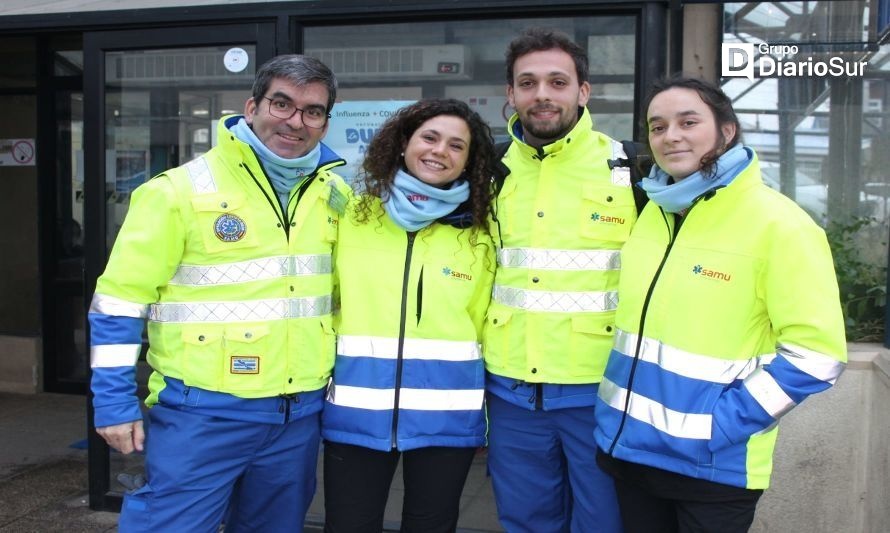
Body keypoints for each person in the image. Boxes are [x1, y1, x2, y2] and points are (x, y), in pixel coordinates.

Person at [88, 54, 351, 532]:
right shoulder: (175, 192)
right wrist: (112, 402)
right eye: (282, 104)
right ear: (251, 107)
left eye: (312, 111)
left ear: (325, 122)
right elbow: (119, 301)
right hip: (202, 415)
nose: (296, 121)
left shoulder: (335, 195)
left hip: (298, 416)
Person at [593, 76, 848, 533]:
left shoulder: (781, 225)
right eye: (657, 126)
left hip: (711, 466)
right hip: (630, 453)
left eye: (688, 121)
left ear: (726, 130)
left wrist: (719, 425)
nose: (670, 136)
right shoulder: (655, 211)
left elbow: (817, 356)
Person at [483, 27, 634, 532]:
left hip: (600, 391)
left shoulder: (631, 168)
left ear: (582, 92)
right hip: (511, 394)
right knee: (525, 521)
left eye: (557, 81)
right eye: (527, 83)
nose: (542, 94)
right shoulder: (485, 171)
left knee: (604, 522)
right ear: (511, 95)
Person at [321, 98, 496, 533]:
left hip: (447, 416)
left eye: (457, 145)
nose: (440, 151)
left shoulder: (481, 233)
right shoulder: (355, 216)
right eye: (430, 137)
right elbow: (325, 302)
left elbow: (486, 327)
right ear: (403, 143)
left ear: (469, 161)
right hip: (356, 413)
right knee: (348, 525)